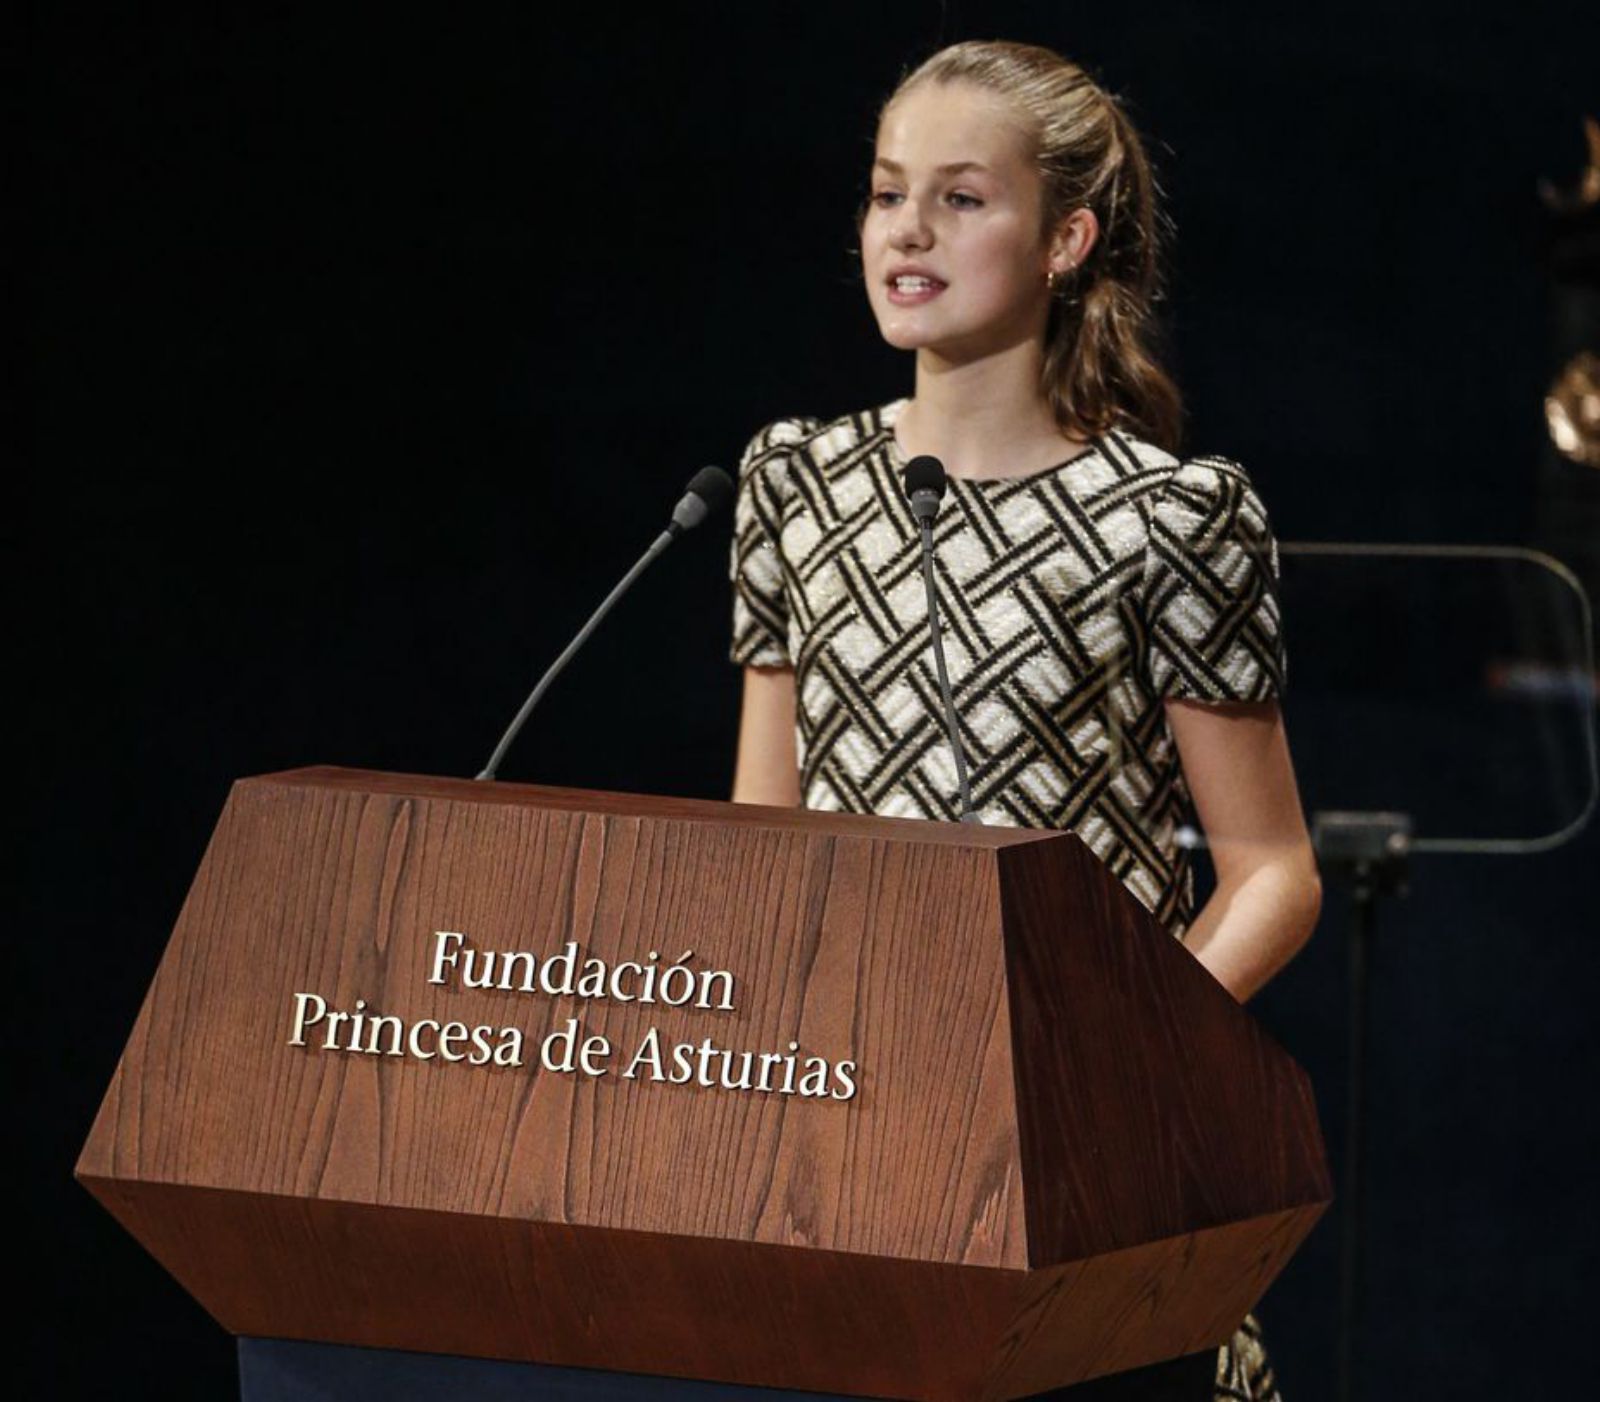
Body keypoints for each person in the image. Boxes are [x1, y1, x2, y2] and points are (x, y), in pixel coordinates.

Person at [726, 39, 1321, 1402]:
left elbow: (1272, 871)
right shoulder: (794, 484)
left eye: (960, 198)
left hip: (1070, 1156)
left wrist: (1111, 1058)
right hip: (844, 1130)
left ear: (1067, 238)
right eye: (886, 194)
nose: (908, 232)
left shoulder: (1167, 515)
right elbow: (758, 833)